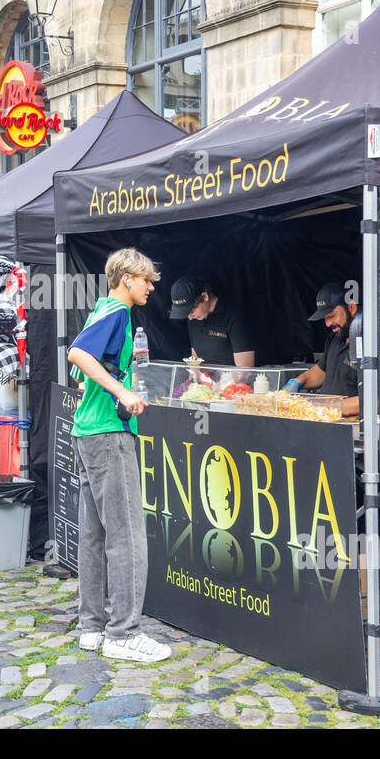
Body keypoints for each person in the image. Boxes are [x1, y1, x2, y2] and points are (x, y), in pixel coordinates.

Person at [66, 248, 171, 664]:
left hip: (87, 432)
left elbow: (77, 375)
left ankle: (91, 627)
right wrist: (123, 392)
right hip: (109, 434)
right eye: (146, 280)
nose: (151, 287)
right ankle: (124, 632)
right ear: (126, 277)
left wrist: (109, 385)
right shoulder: (118, 314)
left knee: (93, 536)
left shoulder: (100, 310)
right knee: (126, 536)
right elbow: (77, 355)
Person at [288, 282, 360, 419]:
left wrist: (328, 407)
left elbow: (375, 399)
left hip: (351, 428)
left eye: (331, 315)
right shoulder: (334, 338)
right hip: (326, 421)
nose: (327, 323)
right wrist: (298, 382)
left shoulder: (370, 345)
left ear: (351, 307)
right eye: (325, 318)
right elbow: (321, 371)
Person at [169, 275, 255, 367]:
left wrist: (218, 381)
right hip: (205, 380)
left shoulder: (234, 317)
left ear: (205, 296)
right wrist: (194, 378)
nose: (189, 317)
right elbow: (195, 358)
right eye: (186, 314)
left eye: (192, 311)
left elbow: (245, 370)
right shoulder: (194, 319)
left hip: (231, 380)